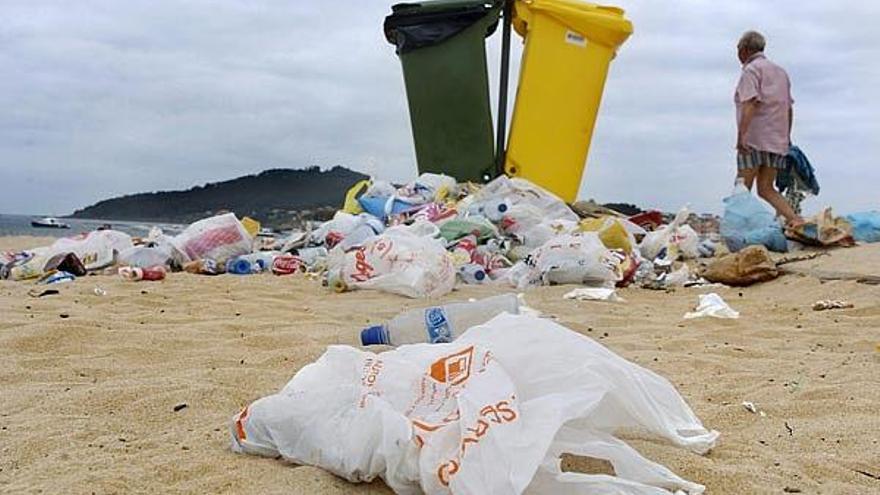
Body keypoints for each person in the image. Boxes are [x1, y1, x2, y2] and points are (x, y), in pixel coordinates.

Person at [734, 30, 803, 227]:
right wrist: (786, 137)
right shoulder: (781, 72)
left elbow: (750, 103)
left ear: (745, 50)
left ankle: (737, 231)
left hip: (753, 139)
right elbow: (788, 109)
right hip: (776, 140)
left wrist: (741, 136)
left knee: (742, 189)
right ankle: (797, 221)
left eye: (738, 51)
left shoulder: (751, 71)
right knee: (766, 188)